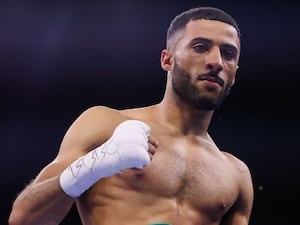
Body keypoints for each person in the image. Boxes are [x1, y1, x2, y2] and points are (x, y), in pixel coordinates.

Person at [8, 6, 254, 225]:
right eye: (200, 47)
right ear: (167, 60)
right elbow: (24, 218)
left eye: (228, 54)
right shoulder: (105, 125)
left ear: (234, 73)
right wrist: (95, 164)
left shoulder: (236, 175)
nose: (216, 62)